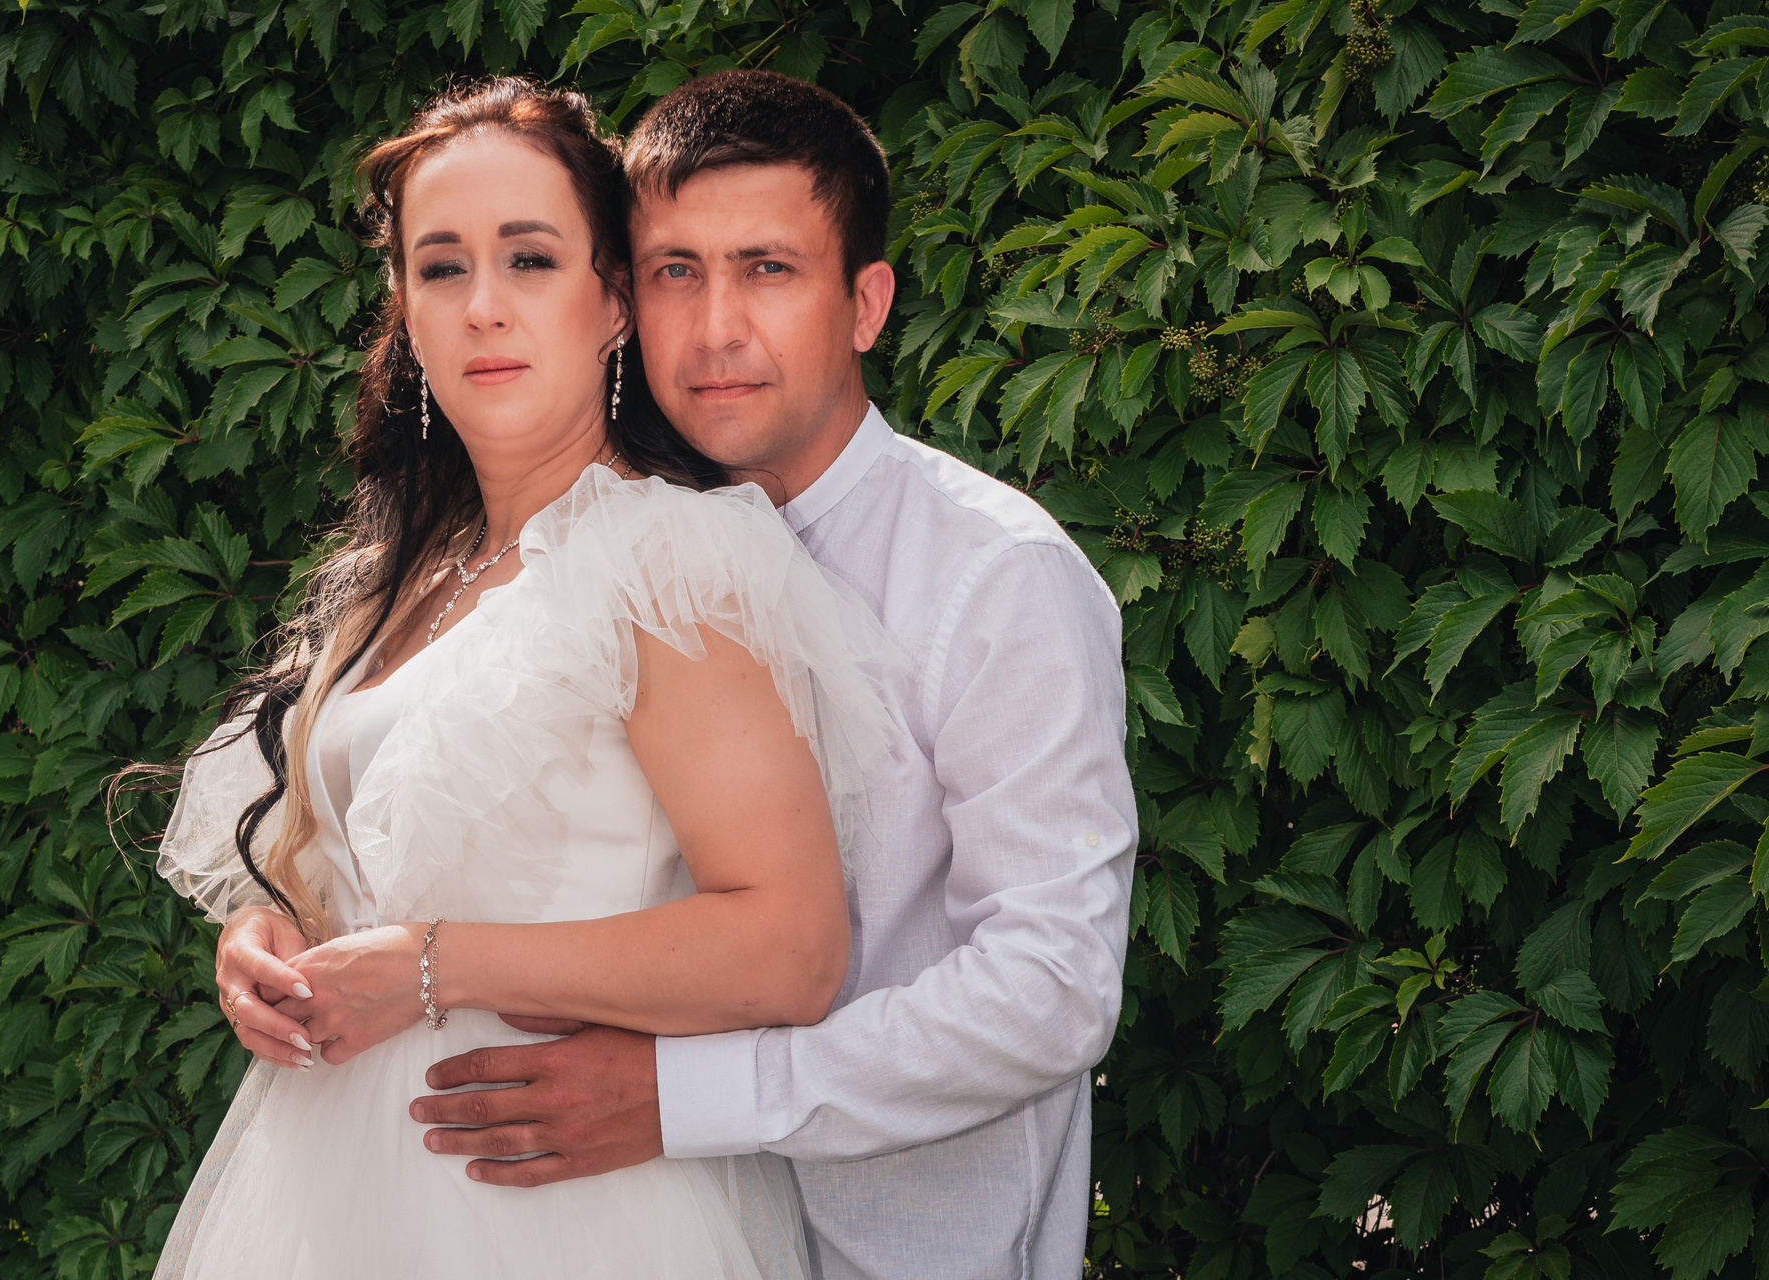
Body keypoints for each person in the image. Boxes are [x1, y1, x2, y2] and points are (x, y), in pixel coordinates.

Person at [148, 77, 905, 1280]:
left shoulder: (665, 561)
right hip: (335, 1194)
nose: (484, 305)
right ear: (406, 311)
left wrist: (431, 965)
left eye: (530, 260)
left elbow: (791, 945)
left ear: (612, 301)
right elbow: (340, 859)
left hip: (558, 1210)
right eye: (441, 267)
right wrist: (266, 941)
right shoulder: (406, 572)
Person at [404, 71, 1138, 1280]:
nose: (716, 328)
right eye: (676, 271)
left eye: (768, 269)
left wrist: (686, 1093)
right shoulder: (591, 552)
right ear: (625, 299)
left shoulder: (994, 574)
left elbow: (1050, 988)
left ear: (866, 304)